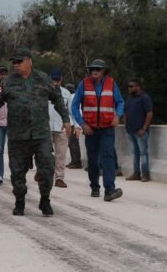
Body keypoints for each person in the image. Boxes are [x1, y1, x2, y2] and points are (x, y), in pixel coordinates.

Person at [0, 48, 70, 216]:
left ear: (29, 61)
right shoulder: (7, 83)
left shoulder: (44, 79)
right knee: (17, 172)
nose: (15, 65)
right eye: (14, 62)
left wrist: (66, 119)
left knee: (47, 168)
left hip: (41, 134)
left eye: (19, 61)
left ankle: (45, 200)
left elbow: (58, 99)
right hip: (18, 135)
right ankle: (19, 202)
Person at [71, 59, 124, 201]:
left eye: (97, 69)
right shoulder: (84, 84)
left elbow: (120, 102)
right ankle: (95, 187)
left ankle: (109, 190)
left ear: (104, 71)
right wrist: (82, 124)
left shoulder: (112, 84)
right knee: (93, 160)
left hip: (107, 129)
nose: (94, 71)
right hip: (91, 129)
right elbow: (74, 106)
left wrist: (117, 116)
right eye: (92, 69)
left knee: (107, 157)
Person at [124, 78, 154, 181]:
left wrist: (144, 128)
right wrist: (126, 125)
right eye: (128, 86)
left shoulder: (145, 98)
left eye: (131, 86)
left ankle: (145, 174)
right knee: (135, 153)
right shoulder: (129, 98)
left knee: (143, 153)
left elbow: (149, 113)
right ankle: (136, 173)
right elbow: (125, 112)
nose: (129, 88)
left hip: (140, 132)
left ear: (138, 87)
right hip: (130, 131)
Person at [48, 69, 73, 188]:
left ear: (61, 80)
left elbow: (71, 110)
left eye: (57, 80)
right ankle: (42, 172)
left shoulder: (66, 93)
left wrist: (73, 125)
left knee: (61, 154)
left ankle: (59, 178)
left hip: (61, 127)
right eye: (53, 80)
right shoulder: (44, 92)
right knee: (44, 153)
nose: (55, 82)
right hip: (46, 127)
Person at [65, 83, 83, 169]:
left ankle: (77, 162)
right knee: (72, 143)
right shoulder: (73, 96)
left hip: (74, 123)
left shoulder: (72, 97)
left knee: (73, 143)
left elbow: (74, 111)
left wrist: (77, 125)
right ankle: (74, 161)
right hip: (73, 123)